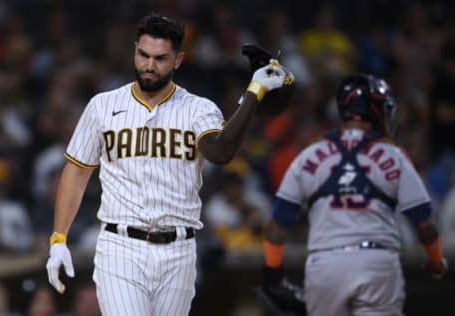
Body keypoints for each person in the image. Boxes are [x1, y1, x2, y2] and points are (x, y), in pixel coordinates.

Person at [45, 12, 292, 316]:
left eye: (160, 58)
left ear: (178, 60)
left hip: (179, 250)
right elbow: (78, 171)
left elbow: (221, 152)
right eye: (143, 55)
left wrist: (253, 94)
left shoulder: (198, 109)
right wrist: (58, 238)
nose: (149, 65)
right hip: (120, 246)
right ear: (135, 50)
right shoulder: (102, 105)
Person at [261, 74, 448, 316]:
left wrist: (273, 275)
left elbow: (275, 228)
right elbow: (425, 226)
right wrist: (436, 261)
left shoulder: (309, 154)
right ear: (374, 110)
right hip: (376, 262)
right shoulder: (394, 155)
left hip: (324, 265)